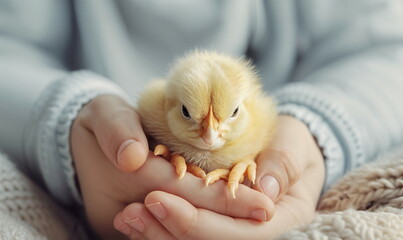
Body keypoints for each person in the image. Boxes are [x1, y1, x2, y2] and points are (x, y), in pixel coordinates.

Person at [1, 0, 403, 239]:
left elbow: (387, 44)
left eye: (224, 118)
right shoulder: (159, 110)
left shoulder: (258, 118)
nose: (210, 134)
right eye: (193, 116)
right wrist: (65, 125)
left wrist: (312, 130)